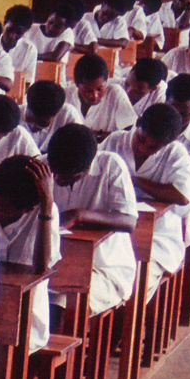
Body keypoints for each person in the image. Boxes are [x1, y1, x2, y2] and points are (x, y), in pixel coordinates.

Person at [105, 103, 190, 289]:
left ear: (167, 144)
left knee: (136, 279)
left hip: (159, 235)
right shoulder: (115, 141)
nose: (143, 148)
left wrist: (134, 181)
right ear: (137, 124)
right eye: (141, 139)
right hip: (113, 228)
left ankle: (132, 317)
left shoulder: (176, 153)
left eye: (153, 147)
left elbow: (182, 195)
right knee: (104, 271)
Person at [0, 155, 60, 355]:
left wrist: (47, 206)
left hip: (26, 318)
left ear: (28, 209)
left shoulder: (44, 213)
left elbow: (41, 269)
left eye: (0, 207)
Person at [43, 124, 138, 318]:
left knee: (58, 306)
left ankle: (59, 347)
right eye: (56, 172)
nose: (58, 179)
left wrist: (79, 215)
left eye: (68, 176)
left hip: (104, 268)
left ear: (87, 167)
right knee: (29, 302)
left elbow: (129, 221)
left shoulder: (111, 165)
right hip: (55, 268)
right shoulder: (43, 166)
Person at [67, 53, 136, 137]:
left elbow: (128, 135)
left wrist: (95, 135)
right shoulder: (67, 95)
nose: (95, 95)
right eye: (88, 90)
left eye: (99, 89)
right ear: (77, 85)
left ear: (106, 81)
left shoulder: (114, 93)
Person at [21, 80, 82, 152]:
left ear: (55, 114)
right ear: (27, 105)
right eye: (30, 120)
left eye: (41, 122)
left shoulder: (68, 116)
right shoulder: (16, 116)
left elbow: (79, 149)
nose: (34, 128)